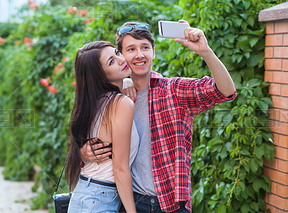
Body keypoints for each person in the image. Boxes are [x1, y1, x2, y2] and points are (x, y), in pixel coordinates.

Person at [80, 20, 236, 213]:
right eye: (130, 49)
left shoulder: (174, 90)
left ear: (153, 52)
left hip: (171, 203)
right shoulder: (113, 100)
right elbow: (102, 153)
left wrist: (206, 52)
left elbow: (225, 91)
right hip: (130, 202)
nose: (139, 55)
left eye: (145, 47)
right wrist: (84, 153)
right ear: (121, 56)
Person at [66, 41, 138, 213]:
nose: (121, 60)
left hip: (84, 195)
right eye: (111, 62)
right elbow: (120, 169)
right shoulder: (121, 104)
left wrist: (125, 82)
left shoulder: (92, 103)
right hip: (99, 200)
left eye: (117, 53)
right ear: (99, 75)